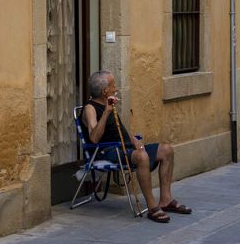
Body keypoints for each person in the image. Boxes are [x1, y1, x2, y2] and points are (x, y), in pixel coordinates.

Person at [81, 70, 192, 223]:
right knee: (142, 157)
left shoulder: (109, 103)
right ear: (104, 91)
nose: (117, 88)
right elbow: (94, 138)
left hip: (125, 147)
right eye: (113, 85)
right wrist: (106, 112)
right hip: (107, 151)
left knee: (166, 150)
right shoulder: (90, 108)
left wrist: (133, 139)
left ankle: (166, 200)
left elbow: (118, 130)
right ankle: (153, 207)